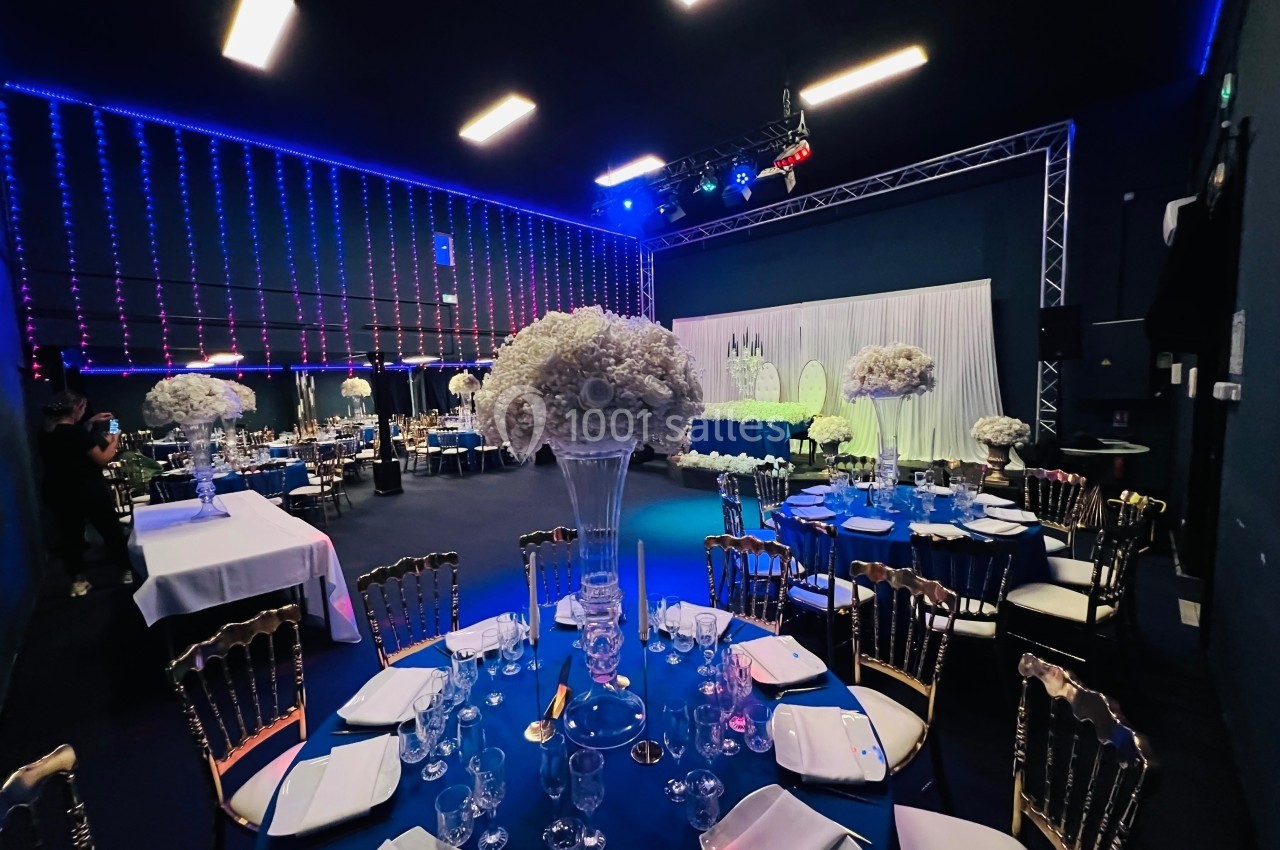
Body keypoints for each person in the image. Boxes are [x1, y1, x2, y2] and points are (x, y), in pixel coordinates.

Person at [38, 389, 133, 596]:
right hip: (88, 490)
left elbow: (69, 442)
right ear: (77, 409)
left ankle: (78, 582)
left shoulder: (48, 433)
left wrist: (90, 422)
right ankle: (127, 570)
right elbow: (103, 459)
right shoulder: (77, 434)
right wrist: (114, 439)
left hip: (60, 493)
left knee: (70, 537)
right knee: (111, 531)